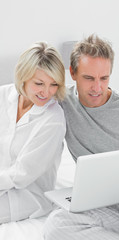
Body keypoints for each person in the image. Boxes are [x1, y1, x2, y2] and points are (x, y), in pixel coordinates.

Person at [44, 34, 119, 240]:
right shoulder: (62, 103)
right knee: (56, 224)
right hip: (104, 210)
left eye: (104, 78)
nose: (97, 88)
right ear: (72, 73)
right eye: (88, 78)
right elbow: (24, 91)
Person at [0, 42, 66, 223]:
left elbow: (22, 175)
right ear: (23, 77)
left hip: (28, 194)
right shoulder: (2, 96)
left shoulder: (53, 120)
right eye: (39, 83)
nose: (47, 92)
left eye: (53, 84)